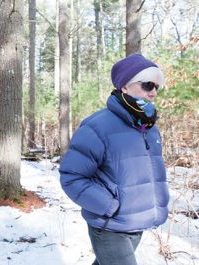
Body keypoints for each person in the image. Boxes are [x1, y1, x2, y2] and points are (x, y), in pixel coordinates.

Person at [59, 54, 169, 265]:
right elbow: (71, 177)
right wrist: (109, 206)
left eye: (156, 87)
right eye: (147, 85)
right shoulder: (97, 126)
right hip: (109, 225)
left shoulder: (149, 127)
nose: (154, 92)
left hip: (137, 222)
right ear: (125, 87)